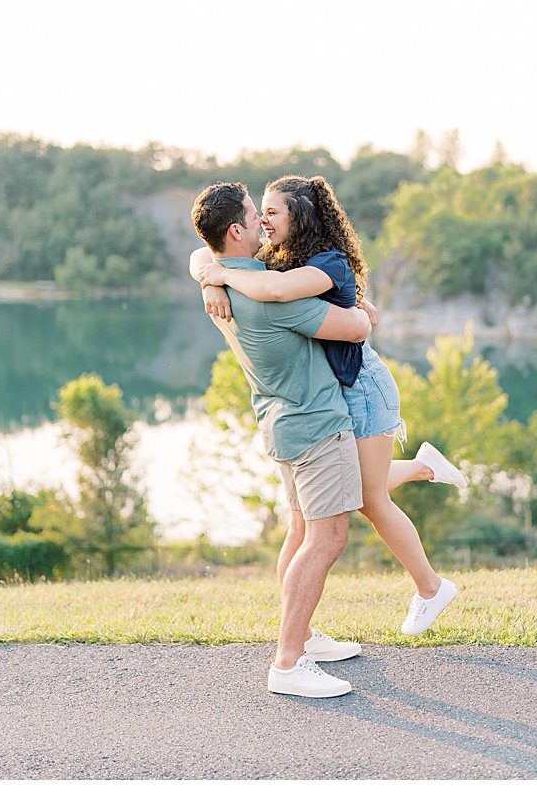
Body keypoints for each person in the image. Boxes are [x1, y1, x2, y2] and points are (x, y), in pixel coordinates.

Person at [191, 175, 462, 637]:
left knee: (369, 499)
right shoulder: (273, 258)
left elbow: (281, 294)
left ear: (300, 215)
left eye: (271, 212)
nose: (263, 220)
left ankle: (431, 588)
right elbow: (203, 249)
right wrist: (208, 277)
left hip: (362, 385)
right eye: (259, 214)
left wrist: (221, 276)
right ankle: (420, 469)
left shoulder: (326, 262)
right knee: (348, 493)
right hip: (334, 389)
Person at [189, 181, 373, 698]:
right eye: (256, 215)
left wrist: (209, 278)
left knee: (300, 532)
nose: (264, 222)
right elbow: (355, 328)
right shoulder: (270, 296)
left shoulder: (230, 283)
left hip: (282, 422)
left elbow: (198, 256)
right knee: (327, 539)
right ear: (236, 230)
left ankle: (304, 638)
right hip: (316, 424)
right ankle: (288, 664)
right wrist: (364, 313)